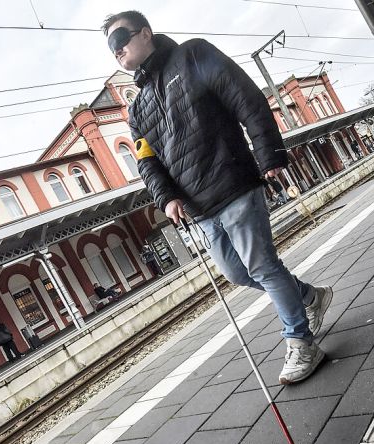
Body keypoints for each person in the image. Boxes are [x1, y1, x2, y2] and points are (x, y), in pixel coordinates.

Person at [103, 10, 333, 384]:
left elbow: (245, 97)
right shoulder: (137, 109)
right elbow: (147, 162)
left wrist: (268, 153)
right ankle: (309, 297)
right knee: (236, 272)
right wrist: (166, 198)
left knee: (261, 266)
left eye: (121, 39)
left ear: (145, 33)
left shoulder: (193, 55)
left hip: (234, 180)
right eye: (111, 48)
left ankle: (301, 341)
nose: (116, 51)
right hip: (199, 207)